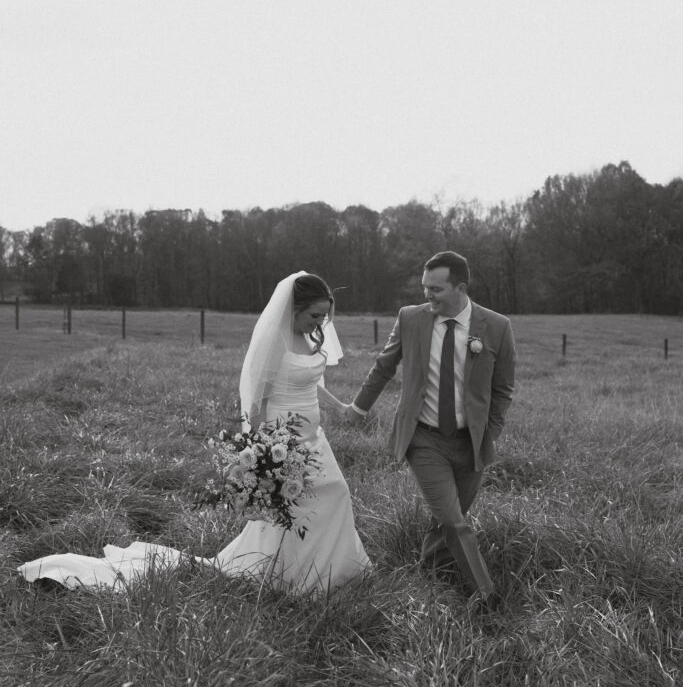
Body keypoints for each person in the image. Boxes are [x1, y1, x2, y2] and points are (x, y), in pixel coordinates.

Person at [18, 273, 371, 596]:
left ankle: (328, 572)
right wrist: (265, 450)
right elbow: (259, 402)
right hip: (283, 441)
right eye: (314, 315)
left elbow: (311, 380)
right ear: (293, 310)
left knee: (330, 496)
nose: (321, 322)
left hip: (314, 436)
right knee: (296, 506)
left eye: (324, 316)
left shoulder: (310, 338)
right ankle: (298, 578)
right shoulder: (275, 343)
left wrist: (341, 407)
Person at [346, 251, 515, 608]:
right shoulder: (410, 319)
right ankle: (486, 595)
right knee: (454, 521)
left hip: (471, 443)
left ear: (460, 288)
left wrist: (490, 434)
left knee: (449, 518)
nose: (427, 295)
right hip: (424, 439)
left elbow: (502, 390)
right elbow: (383, 367)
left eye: (436, 289)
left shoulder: (497, 326)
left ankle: (430, 575)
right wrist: (358, 409)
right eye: (425, 288)